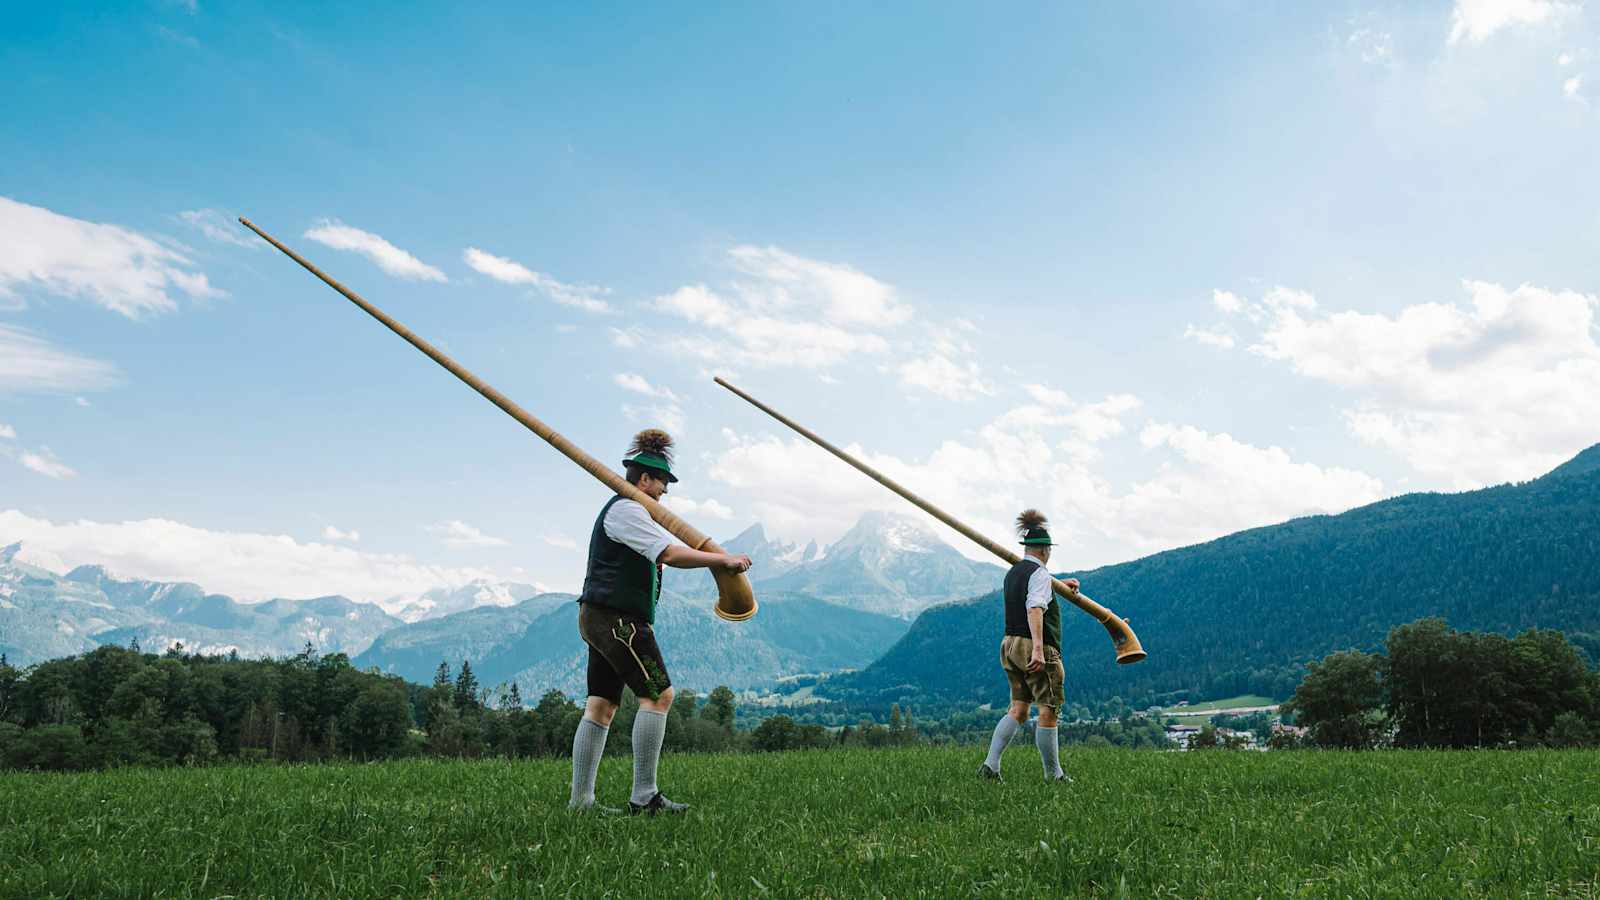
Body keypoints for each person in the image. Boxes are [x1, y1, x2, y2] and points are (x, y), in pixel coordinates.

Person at [567, 429, 752, 815]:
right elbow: (668, 553)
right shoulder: (628, 510)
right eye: (662, 482)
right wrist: (723, 560)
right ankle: (644, 797)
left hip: (600, 615)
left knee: (601, 705)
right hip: (619, 620)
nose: (665, 491)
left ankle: (581, 804)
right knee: (659, 695)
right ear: (644, 479)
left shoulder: (626, 510)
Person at [978, 509, 1078, 783]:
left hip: (1009, 645)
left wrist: (1058, 585)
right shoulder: (1041, 575)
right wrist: (1037, 649)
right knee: (1048, 709)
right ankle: (1053, 775)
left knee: (1019, 708)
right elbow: (1034, 608)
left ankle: (991, 765)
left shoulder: (1014, 572)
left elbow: (1033, 591)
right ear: (1046, 549)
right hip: (1035, 647)